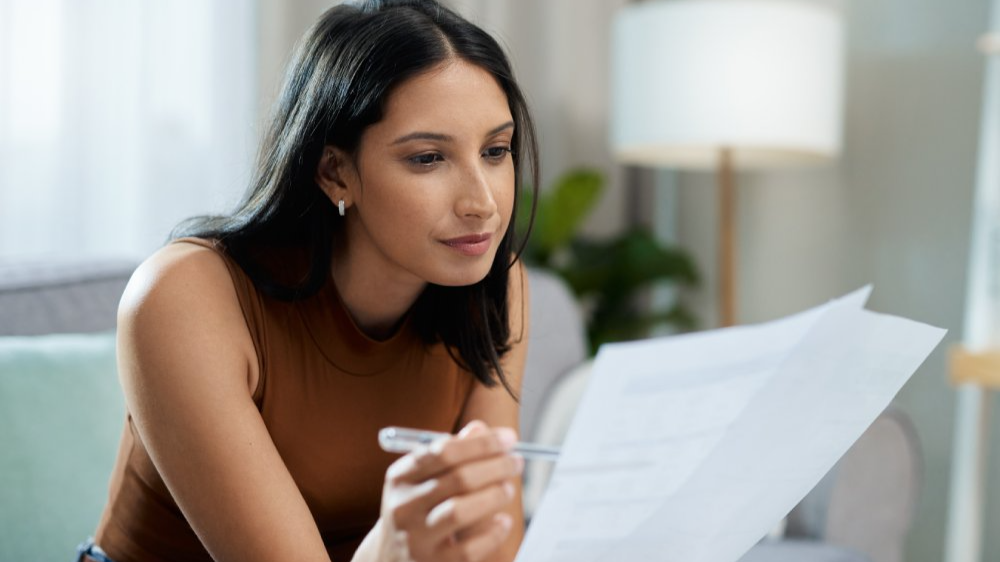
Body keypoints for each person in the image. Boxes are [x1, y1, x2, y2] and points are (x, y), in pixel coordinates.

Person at [77, 1, 540, 560]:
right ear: (334, 171)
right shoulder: (184, 298)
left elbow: (493, 546)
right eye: (426, 158)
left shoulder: (497, 289)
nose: (483, 203)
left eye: (495, 151)